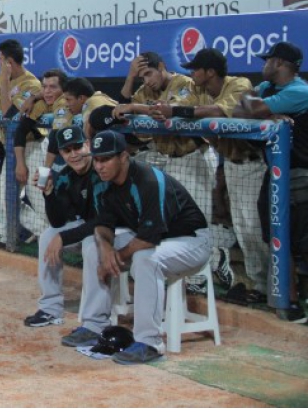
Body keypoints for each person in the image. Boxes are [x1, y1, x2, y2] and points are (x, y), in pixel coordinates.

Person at [67, 130, 211, 365]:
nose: (99, 166)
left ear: (123, 157)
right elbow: (103, 225)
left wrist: (116, 257)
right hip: (153, 239)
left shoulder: (147, 180)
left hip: (191, 241)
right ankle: (94, 325)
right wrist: (105, 250)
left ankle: (150, 342)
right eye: (97, 159)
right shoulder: (103, 183)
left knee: (146, 259)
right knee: (92, 247)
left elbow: (148, 238)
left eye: (106, 159)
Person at [114, 51, 236, 291]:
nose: (147, 80)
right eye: (142, 77)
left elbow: (172, 110)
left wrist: (136, 107)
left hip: (193, 157)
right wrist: (130, 78)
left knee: (197, 220)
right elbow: (121, 109)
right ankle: (210, 261)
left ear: (161, 66)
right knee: (177, 222)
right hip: (168, 160)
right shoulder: (145, 91)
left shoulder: (184, 84)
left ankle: (201, 278)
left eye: (149, 73)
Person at [149, 49, 264, 299]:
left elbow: (221, 112)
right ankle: (258, 285)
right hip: (230, 164)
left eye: (196, 69)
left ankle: (271, 286)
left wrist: (176, 112)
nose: (191, 73)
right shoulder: (200, 91)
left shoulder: (239, 84)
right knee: (243, 229)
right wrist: (166, 110)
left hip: (253, 163)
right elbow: (184, 110)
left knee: (255, 227)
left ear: (210, 71)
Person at [235, 41, 308, 322]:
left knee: (296, 241)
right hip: (277, 171)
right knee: (276, 238)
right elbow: (241, 112)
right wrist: (258, 106)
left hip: (300, 174)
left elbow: (251, 108)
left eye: (267, 60)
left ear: (279, 63)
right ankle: (288, 302)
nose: (262, 65)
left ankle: (293, 302)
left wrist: (256, 106)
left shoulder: (300, 91)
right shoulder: (267, 89)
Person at [25, 126, 102, 327]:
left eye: (78, 147)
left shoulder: (102, 168)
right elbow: (58, 222)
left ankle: (95, 319)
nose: (74, 154)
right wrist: (48, 193)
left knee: (90, 244)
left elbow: (103, 220)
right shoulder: (67, 176)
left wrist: (64, 238)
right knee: (48, 236)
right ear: (61, 154)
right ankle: (50, 309)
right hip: (87, 227)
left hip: (114, 228)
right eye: (67, 151)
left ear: (88, 145)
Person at [0, 39, 41, 246]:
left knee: (39, 200)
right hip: (11, 146)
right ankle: (8, 237)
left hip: (32, 147)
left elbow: (8, 114)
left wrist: (4, 79)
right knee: (7, 196)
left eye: (0, 59)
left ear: (9, 61)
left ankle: (51, 235)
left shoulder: (31, 84)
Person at [15, 69, 69, 236]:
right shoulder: (42, 102)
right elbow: (20, 130)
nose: (47, 91)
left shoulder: (64, 101)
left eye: (53, 87)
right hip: (61, 155)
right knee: (43, 199)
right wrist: (21, 163)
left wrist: (44, 171)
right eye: (44, 87)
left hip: (83, 155)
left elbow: (55, 138)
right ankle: (51, 238)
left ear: (63, 89)